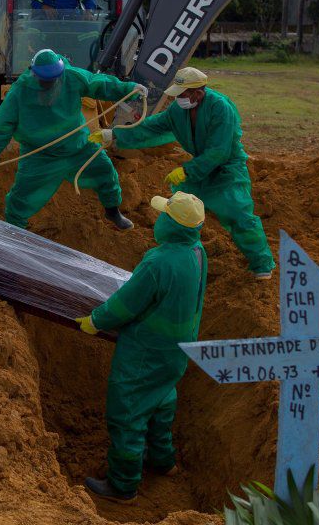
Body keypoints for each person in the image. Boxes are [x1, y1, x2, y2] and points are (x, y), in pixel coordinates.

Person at [75, 191, 208, 502]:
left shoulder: (158, 261)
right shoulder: (198, 251)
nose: (159, 219)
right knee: (162, 399)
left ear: (173, 225)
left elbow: (127, 303)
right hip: (177, 348)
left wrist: (96, 320)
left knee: (128, 412)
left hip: (146, 350)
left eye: (164, 215)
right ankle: (162, 461)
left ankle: (122, 485)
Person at [90, 67, 275, 278]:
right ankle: (176, 251)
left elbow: (219, 151)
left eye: (182, 94)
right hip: (199, 165)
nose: (177, 98)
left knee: (237, 212)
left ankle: (261, 264)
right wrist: (113, 135)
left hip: (227, 168)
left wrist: (187, 171)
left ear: (198, 93)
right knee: (179, 207)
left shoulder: (221, 109)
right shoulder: (179, 110)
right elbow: (151, 127)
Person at [0, 49, 144, 231]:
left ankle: (112, 212)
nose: (51, 82)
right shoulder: (19, 92)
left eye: (55, 77)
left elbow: (98, 83)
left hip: (78, 147)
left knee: (105, 171)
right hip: (40, 155)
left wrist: (130, 89)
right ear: (34, 73)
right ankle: (13, 231)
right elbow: (2, 126)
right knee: (21, 197)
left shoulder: (71, 76)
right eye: (45, 79)